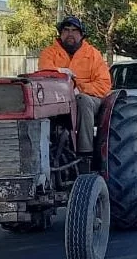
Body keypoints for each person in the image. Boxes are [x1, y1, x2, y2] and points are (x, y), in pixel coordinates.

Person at [38, 15, 112, 173]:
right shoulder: (49, 53)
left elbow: (104, 85)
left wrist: (79, 88)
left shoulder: (93, 54)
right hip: (58, 101)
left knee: (82, 100)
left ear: (81, 35)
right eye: (66, 30)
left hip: (90, 100)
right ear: (60, 33)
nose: (70, 34)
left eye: (74, 30)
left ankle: (85, 154)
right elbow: (44, 72)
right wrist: (59, 72)